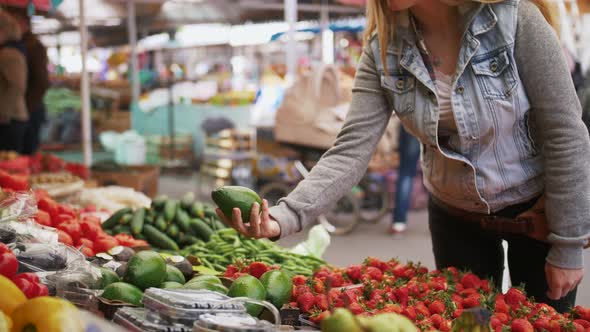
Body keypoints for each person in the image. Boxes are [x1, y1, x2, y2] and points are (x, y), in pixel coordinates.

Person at [217, 0, 590, 313]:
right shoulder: (383, 50)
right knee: (467, 322)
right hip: (455, 218)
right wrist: (284, 216)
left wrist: (569, 245)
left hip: (536, 215)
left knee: (545, 321)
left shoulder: (515, 20)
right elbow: (350, 149)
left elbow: (566, 132)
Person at [6, 7, 49, 155]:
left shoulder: (33, 47)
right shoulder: (12, 46)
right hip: (17, 110)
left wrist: (26, 107)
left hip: (28, 109)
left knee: (25, 154)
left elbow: (41, 82)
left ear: (24, 23)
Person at [0, 9, 28, 152]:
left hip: (11, 118)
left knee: (8, 163)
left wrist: (4, 114)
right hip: (10, 116)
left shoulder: (9, 53)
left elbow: (17, 85)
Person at [390, 126, 421, 234]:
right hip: (439, 119)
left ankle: (399, 222)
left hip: (412, 119)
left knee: (405, 172)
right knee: (438, 171)